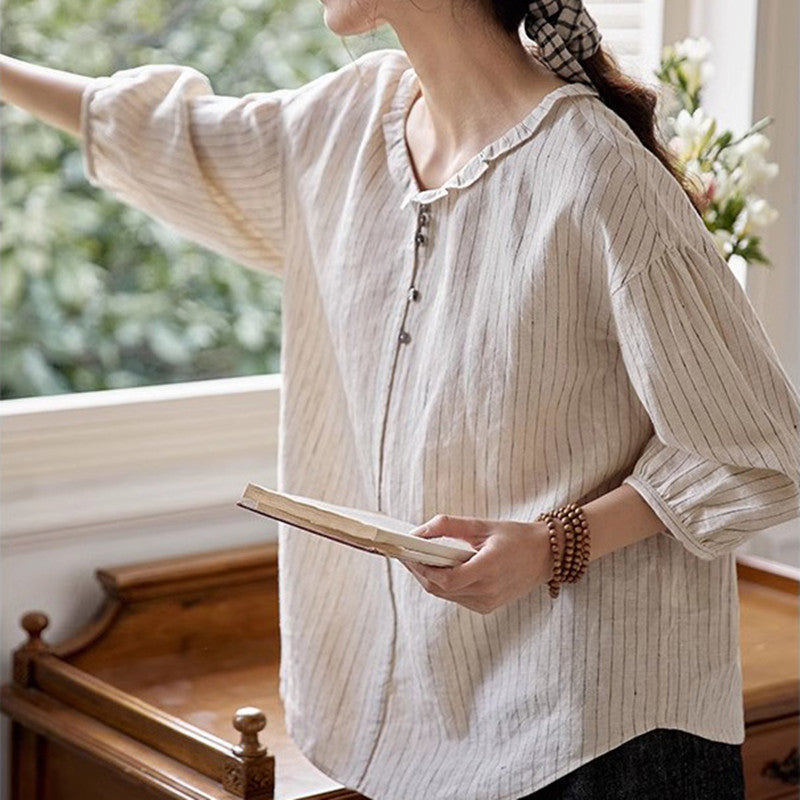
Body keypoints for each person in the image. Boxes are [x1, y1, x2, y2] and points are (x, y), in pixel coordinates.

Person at [3, 0, 799, 797]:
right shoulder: (347, 122)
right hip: (435, 733)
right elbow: (177, 137)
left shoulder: (595, 173)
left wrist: (551, 544)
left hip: (601, 738)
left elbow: (758, 449)